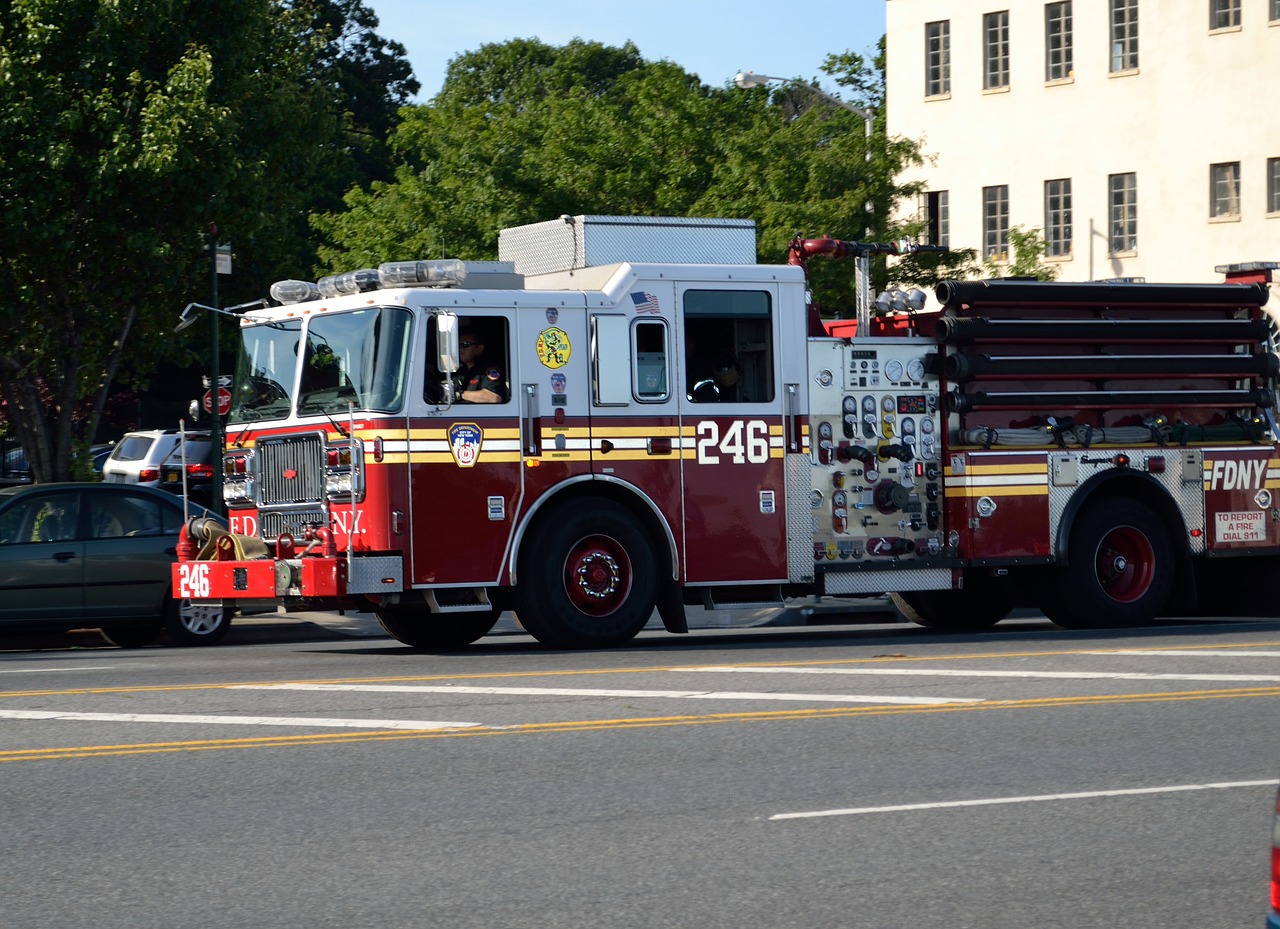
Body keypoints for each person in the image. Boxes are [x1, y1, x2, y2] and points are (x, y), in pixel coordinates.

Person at [454, 328, 507, 403]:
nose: (460, 349)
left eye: (465, 345)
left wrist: (460, 395)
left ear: (480, 348)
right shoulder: (459, 370)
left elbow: (494, 397)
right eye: (459, 345)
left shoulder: (489, 370)